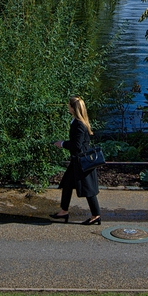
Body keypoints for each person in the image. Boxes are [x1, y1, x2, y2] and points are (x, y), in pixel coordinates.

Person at [52, 96, 101, 225]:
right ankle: (64, 210)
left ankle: (96, 215)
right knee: (67, 184)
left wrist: (62, 144)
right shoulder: (77, 121)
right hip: (77, 161)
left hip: (82, 162)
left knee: (89, 189)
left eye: (69, 104)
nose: (67, 105)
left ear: (73, 108)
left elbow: (77, 146)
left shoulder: (79, 124)